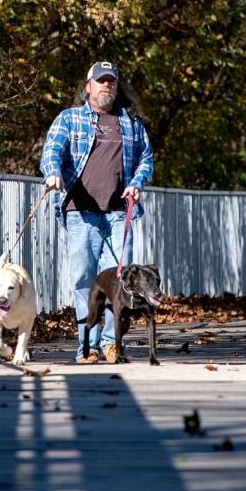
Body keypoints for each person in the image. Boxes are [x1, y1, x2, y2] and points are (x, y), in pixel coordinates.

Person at [40, 61, 154, 364]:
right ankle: (86, 347)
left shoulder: (130, 123)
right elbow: (51, 150)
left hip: (120, 215)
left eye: (112, 82)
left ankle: (110, 343)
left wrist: (137, 183)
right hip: (82, 214)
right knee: (84, 280)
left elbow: (146, 158)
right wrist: (53, 173)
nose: (107, 86)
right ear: (88, 86)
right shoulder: (69, 118)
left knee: (120, 281)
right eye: (101, 81)